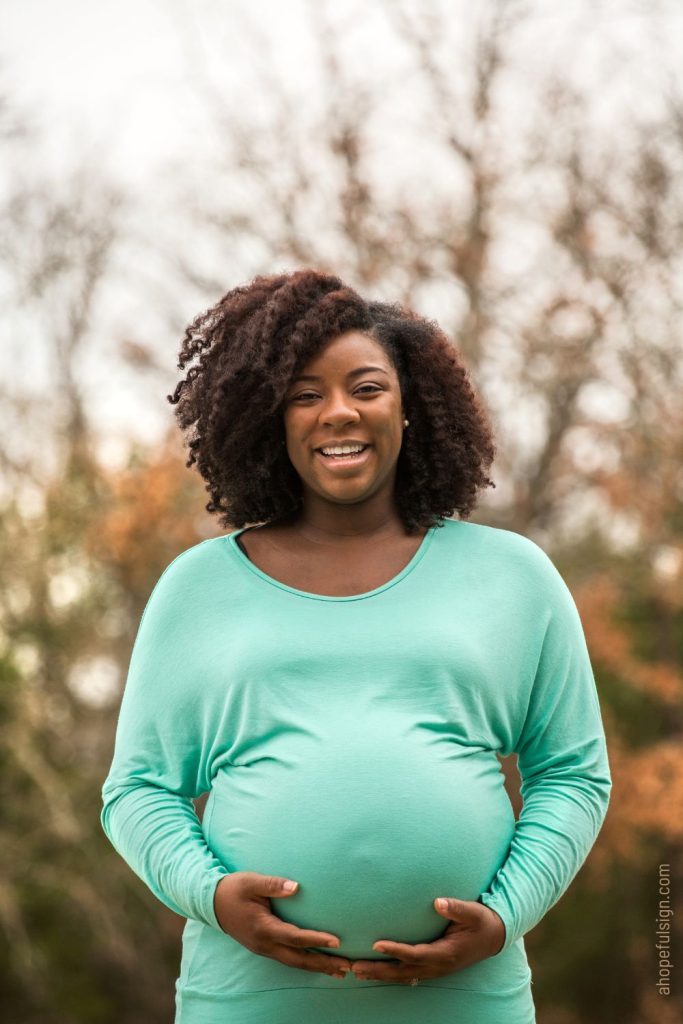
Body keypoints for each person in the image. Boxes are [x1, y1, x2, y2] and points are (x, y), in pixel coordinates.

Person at [101, 268, 612, 1024]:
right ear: (270, 419)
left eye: (365, 388)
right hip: (248, 1000)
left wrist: (505, 915)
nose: (336, 412)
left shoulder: (513, 577)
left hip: (465, 1001)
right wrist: (211, 896)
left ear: (410, 409)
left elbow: (571, 774)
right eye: (305, 395)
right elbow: (137, 790)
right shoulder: (198, 588)